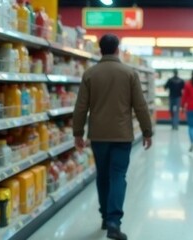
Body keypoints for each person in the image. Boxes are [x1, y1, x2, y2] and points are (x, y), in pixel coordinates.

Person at [72, 34, 153, 240]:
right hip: (122, 135)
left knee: (102, 176)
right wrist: (147, 131)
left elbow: (81, 107)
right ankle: (114, 222)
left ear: (100, 50)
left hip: (98, 136)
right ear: (117, 49)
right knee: (118, 176)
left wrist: (78, 132)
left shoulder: (90, 74)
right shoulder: (129, 73)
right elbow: (140, 106)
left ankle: (105, 216)